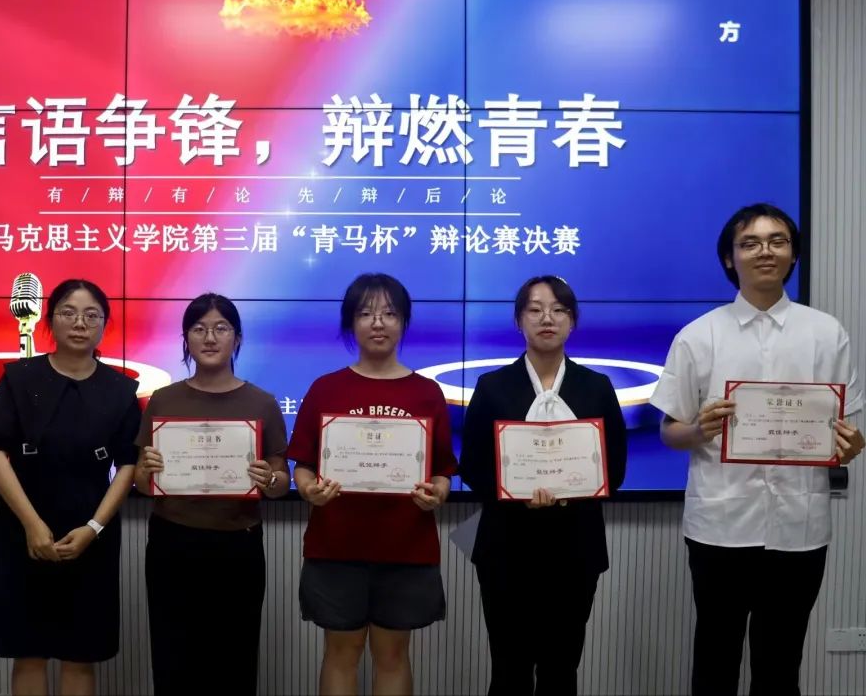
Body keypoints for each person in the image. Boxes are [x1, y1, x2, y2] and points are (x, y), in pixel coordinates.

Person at [650, 203, 865, 696]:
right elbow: (669, 432)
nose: (765, 251)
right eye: (749, 243)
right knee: (715, 661)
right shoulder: (698, 335)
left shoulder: (826, 332)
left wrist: (850, 447)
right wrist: (698, 430)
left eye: (777, 241)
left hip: (800, 528)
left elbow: (843, 431)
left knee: (781, 665)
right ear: (730, 258)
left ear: (793, 255)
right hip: (720, 527)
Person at [286, 273, 457, 696]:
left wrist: (438, 493)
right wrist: (307, 489)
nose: (378, 323)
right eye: (365, 314)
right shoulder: (326, 388)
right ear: (351, 322)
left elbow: (442, 470)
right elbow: (302, 466)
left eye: (389, 314)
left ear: (403, 322)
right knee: (340, 654)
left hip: (406, 545)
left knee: (393, 656)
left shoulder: (427, 392)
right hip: (336, 545)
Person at [0, 279, 141, 696]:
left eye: (91, 315)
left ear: (104, 325)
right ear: (49, 320)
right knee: (28, 652)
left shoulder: (121, 390)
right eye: (68, 312)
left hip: (91, 533)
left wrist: (93, 529)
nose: (80, 323)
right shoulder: (19, 377)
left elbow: (128, 465)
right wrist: (32, 525)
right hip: (22, 530)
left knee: (80, 655)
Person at [458, 275, 627, 696]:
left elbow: (616, 468)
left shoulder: (597, 387)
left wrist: (574, 489)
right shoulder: (492, 386)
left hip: (575, 548)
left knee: (561, 668)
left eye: (558, 310)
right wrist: (516, 497)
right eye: (535, 310)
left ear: (572, 321)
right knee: (509, 669)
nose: (547, 318)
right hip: (506, 548)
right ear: (519, 320)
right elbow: (472, 467)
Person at [134, 293, 290, 696]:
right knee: (173, 656)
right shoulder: (164, 400)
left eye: (221, 328)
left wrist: (269, 480)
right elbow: (141, 483)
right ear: (185, 339)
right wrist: (145, 472)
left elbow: (281, 481)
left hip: (238, 546)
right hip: (172, 541)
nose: (209, 337)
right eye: (199, 328)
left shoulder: (261, 403)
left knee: (234, 658)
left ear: (237, 339)